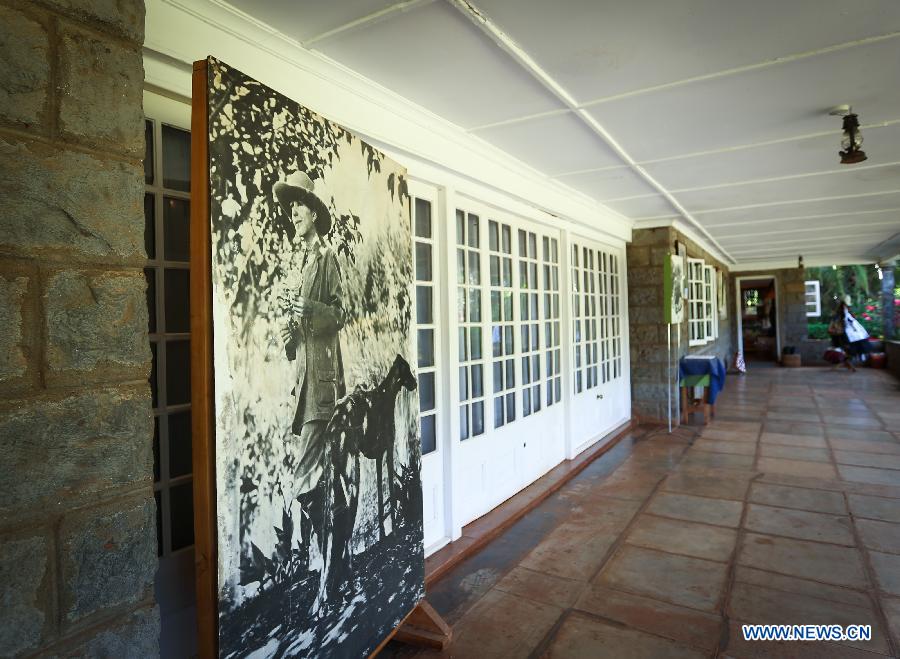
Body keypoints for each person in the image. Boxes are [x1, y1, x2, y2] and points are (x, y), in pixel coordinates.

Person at [274, 170, 348, 586]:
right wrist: (289, 334)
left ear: (314, 213)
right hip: (299, 385)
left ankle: (325, 561)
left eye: (299, 205)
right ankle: (331, 561)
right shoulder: (295, 260)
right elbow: (293, 326)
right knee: (314, 476)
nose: (293, 212)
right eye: (290, 207)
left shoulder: (327, 257)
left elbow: (340, 313)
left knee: (302, 475)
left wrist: (311, 311)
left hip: (322, 385)